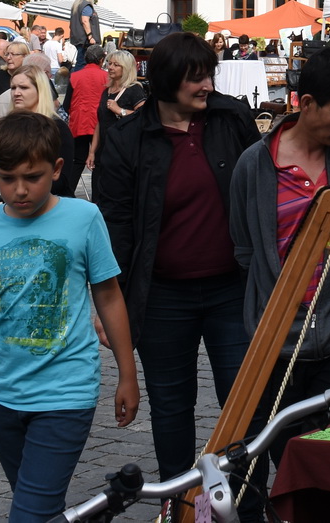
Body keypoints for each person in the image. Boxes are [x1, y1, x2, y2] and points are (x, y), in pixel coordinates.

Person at [0, 111, 138, 523]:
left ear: (56, 169)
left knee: (29, 513)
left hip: (66, 393)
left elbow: (108, 296)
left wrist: (127, 374)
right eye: (7, 178)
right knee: (41, 507)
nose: (19, 190)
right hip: (2, 396)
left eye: (32, 177)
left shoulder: (83, 218)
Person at [231, 46, 330, 521]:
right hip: (275, 345)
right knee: (273, 461)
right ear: (305, 103)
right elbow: (244, 248)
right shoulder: (253, 166)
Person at [93, 31, 258, 484]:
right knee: (170, 405)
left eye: (209, 75)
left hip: (232, 290)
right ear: (167, 81)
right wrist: (110, 300)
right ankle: (179, 501)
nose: (207, 86)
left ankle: (247, 501)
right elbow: (115, 225)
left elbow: (262, 189)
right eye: (195, 78)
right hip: (162, 296)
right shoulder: (128, 138)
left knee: (243, 402)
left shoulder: (231, 119)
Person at [63, 46, 108, 195]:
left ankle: (68, 193)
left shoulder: (75, 76)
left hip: (79, 123)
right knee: (98, 162)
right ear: (101, 60)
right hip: (99, 124)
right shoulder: (106, 77)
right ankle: (96, 198)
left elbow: (66, 104)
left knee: (78, 161)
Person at [94, 50, 146, 170]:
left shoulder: (134, 90)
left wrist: (120, 111)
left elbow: (144, 117)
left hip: (123, 154)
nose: (110, 67)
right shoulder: (106, 91)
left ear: (126, 68)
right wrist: (92, 152)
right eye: (110, 63)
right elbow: (100, 123)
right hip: (103, 152)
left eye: (116, 65)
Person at [0, 41, 30, 109]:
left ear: (25, 57)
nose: (8, 58)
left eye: (13, 54)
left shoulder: (31, 76)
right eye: (7, 54)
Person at [68, 0, 99, 70]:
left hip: (78, 38)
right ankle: (76, 78)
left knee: (81, 61)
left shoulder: (75, 6)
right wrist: (90, 37)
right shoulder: (86, 6)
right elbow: (85, 21)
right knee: (82, 62)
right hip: (85, 40)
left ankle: (76, 76)